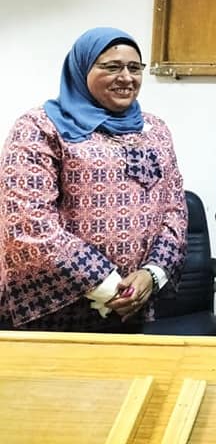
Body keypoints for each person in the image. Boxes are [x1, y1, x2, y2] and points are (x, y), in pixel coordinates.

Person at [0, 27, 187, 332]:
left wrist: (152, 275)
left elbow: (174, 211)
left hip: (133, 307)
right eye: (112, 67)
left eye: (134, 68)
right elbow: (27, 220)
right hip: (54, 313)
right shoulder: (39, 128)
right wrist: (106, 286)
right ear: (81, 69)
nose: (126, 77)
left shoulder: (155, 131)